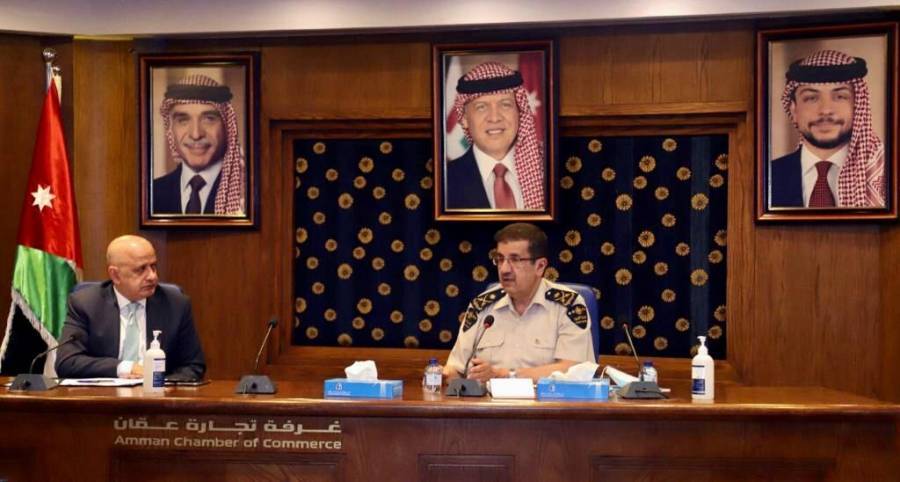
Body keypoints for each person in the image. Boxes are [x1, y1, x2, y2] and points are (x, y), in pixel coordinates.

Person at [443, 223, 594, 383]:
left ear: (540, 266)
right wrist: (441, 374)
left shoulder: (568, 305)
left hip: (546, 399)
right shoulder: (481, 306)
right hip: (488, 399)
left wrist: (505, 375)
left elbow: (574, 371)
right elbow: (457, 369)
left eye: (515, 260)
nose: (504, 269)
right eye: (500, 259)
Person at [55, 235, 206, 380]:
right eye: (141, 269)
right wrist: (124, 368)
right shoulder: (86, 304)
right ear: (115, 275)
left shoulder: (176, 304)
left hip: (157, 395)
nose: (152, 276)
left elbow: (193, 366)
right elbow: (67, 362)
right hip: (104, 396)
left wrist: (159, 383)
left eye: (153, 266)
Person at [770, 50, 885, 208]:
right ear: (794, 110)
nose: (825, 110)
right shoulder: (767, 176)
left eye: (840, 97)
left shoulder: (885, 175)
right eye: (811, 98)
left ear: (858, 106)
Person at [445, 61, 545, 211]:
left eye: (505, 105)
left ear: (520, 111)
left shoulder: (548, 170)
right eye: (481, 107)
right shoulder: (445, 180)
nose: (494, 117)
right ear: (464, 118)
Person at [152, 74, 245, 216]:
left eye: (209, 119)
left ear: (227, 126)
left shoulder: (245, 193)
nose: (196, 134)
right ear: (171, 129)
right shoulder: (152, 193)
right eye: (183, 120)